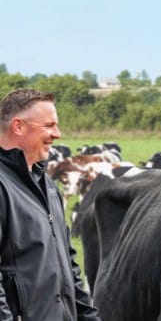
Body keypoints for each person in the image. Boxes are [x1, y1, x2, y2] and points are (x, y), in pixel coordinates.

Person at [0, 88, 101, 320]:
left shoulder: (47, 185)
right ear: (18, 126)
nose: (57, 133)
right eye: (48, 125)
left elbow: (68, 266)